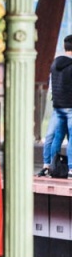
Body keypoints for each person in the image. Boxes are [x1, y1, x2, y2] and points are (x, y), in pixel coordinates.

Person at [42, 35, 72, 177]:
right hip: (70, 106)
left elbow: (52, 86)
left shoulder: (55, 64)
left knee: (56, 137)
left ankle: (50, 165)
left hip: (58, 106)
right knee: (70, 137)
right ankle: (71, 168)